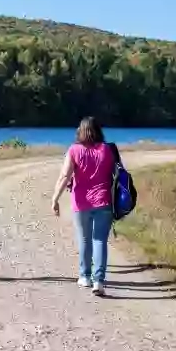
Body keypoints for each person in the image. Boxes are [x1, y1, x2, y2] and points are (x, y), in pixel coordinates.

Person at [50, 116, 116, 296]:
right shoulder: (106, 150)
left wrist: (55, 198)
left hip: (81, 203)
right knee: (100, 240)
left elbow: (65, 176)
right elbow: (115, 175)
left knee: (85, 240)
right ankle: (99, 281)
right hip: (104, 201)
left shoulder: (74, 150)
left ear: (80, 131)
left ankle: (85, 276)